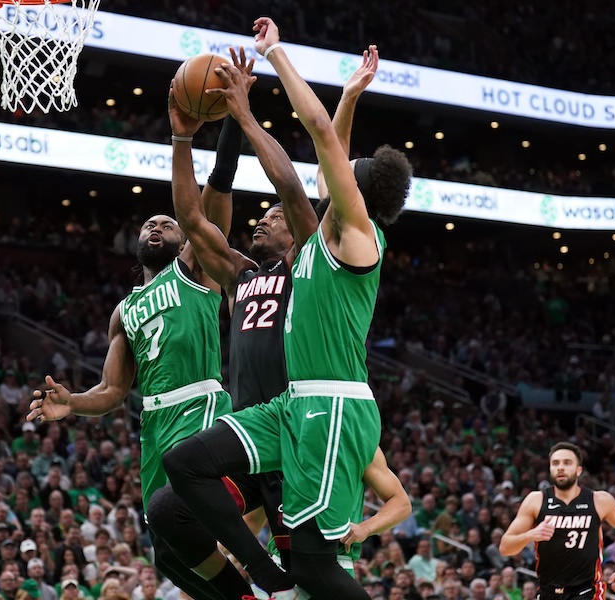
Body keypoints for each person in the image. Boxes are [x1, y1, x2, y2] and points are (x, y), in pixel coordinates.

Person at [164, 20, 412, 600]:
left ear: (359, 192)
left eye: (346, 176)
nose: (334, 173)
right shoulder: (325, 234)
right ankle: (263, 579)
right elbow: (335, 152)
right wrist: (350, 95)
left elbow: (322, 135)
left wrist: (273, 56)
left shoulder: (356, 235)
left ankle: (280, 579)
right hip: (289, 404)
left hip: (331, 404)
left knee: (319, 570)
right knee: (185, 466)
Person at [26, 112, 251, 599]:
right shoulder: (123, 310)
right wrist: (73, 403)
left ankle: (266, 571)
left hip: (200, 407)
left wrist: (232, 119)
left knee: (184, 509)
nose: (157, 226)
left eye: (167, 223)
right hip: (154, 425)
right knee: (168, 554)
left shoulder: (196, 268)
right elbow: (111, 391)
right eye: (149, 223)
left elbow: (215, 195)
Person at [499, 442, 615, 600]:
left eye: (567, 463)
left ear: (579, 470)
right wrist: (531, 535)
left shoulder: (599, 500)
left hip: (587, 591)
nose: (560, 467)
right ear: (550, 469)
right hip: (548, 591)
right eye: (555, 463)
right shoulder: (536, 500)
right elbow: (505, 547)